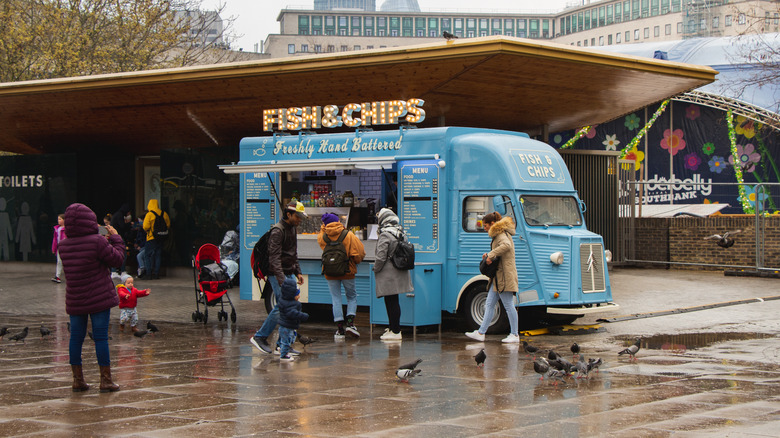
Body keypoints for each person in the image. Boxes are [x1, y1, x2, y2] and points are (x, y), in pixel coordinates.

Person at [58, 203, 125, 393]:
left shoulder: (63, 246)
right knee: (101, 337)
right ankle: (105, 380)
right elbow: (117, 259)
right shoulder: (97, 242)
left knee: (76, 338)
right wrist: (116, 238)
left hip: (75, 298)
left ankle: (77, 380)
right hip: (99, 298)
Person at [250, 201, 307, 355]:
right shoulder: (277, 231)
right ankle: (260, 337)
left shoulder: (292, 229)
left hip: (288, 273)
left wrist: (298, 272)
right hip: (277, 275)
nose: (300, 219)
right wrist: (283, 282)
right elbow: (274, 260)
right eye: (298, 216)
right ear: (288, 214)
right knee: (284, 308)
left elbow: (293, 253)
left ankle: (283, 345)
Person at [465, 211, 520, 344]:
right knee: (489, 304)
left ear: (492, 224)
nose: (484, 228)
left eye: (485, 225)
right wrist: (489, 254)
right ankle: (480, 333)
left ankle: (514, 334)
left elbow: (506, 245)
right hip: (498, 277)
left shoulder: (500, 234)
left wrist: (491, 255)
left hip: (504, 277)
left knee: (508, 305)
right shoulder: (500, 233)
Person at [317, 212, 365, 338]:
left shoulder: (323, 237)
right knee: (351, 296)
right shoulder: (348, 235)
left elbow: (322, 235)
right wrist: (355, 262)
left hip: (330, 272)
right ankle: (350, 324)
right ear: (338, 222)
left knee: (336, 298)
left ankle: (339, 329)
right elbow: (359, 253)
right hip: (347, 271)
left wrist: (324, 227)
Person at [373, 208, 413, 341]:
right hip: (399, 271)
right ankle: (392, 327)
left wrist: (375, 268)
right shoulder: (400, 232)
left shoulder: (385, 234)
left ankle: (395, 331)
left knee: (391, 302)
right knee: (393, 301)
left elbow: (380, 256)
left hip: (389, 274)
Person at [277, 277, 309, 362]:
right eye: (297, 294)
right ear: (291, 294)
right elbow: (292, 313)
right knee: (286, 341)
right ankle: (284, 355)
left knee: (287, 340)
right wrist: (302, 316)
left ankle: (283, 350)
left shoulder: (283, 300)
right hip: (286, 327)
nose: (299, 296)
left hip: (287, 326)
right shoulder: (290, 305)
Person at [142, 199, 170, 280]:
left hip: (151, 237)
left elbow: (145, 227)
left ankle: (148, 274)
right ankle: (156, 273)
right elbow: (168, 225)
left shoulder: (149, 214)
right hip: (161, 237)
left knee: (147, 255)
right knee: (158, 255)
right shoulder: (164, 214)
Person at [51, 213, 65, 283]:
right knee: (59, 262)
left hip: (65, 248)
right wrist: (53, 248)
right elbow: (55, 240)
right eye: (58, 219)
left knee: (66, 262)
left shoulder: (67, 229)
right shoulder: (57, 229)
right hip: (59, 247)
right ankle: (57, 276)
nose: (58, 221)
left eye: (60, 219)